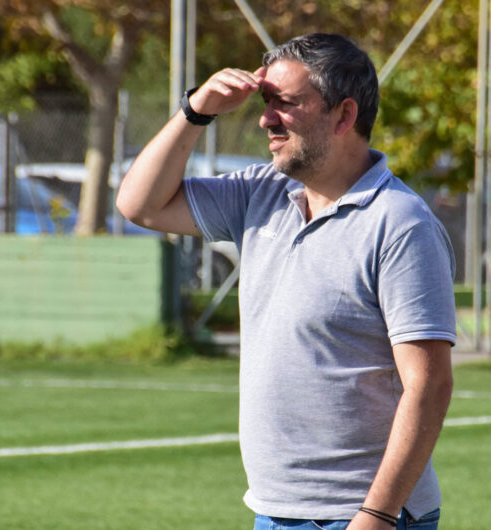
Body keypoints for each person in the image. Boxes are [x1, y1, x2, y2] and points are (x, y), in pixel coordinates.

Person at [116, 33, 455, 530]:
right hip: (275, 511)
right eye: (265, 102)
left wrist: (377, 514)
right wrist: (196, 111)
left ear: (344, 115)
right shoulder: (263, 191)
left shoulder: (401, 223)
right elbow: (139, 205)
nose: (265, 119)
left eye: (286, 104)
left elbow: (429, 384)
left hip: (359, 515)